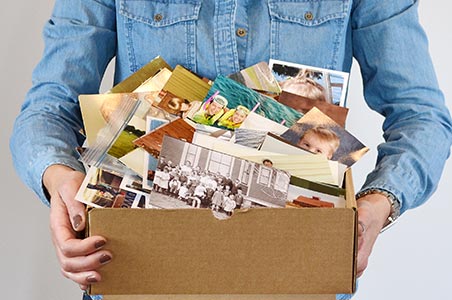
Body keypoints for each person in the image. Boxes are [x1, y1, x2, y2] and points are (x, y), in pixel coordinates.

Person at [9, 1, 452, 300]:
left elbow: (421, 115)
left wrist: (380, 205)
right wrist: (58, 181)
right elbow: (48, 109)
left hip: (296, 276)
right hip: (143, 272)